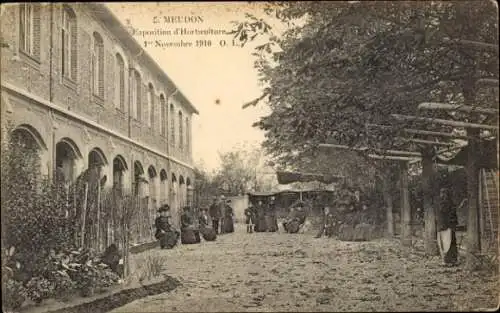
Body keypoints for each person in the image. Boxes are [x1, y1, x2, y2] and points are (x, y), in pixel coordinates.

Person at [437, 187, 458, 266]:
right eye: (441, 193)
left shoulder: (449, 204)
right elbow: (441, 216)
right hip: (443, 226)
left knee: (450, 243)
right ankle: (447, 260)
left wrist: (451, 225)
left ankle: (452, 260)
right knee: (444, 243)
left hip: (448, 226)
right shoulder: (441, 203)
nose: (442, 195)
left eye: (443, 193)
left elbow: (452, 216)